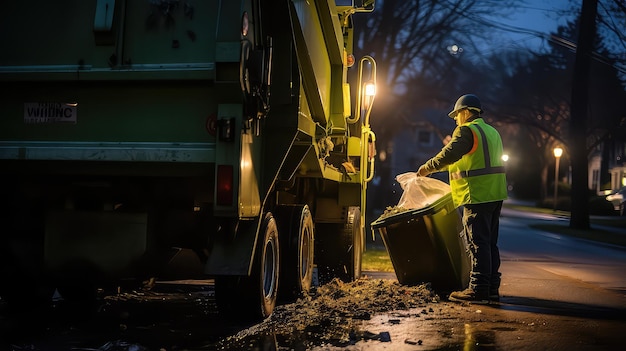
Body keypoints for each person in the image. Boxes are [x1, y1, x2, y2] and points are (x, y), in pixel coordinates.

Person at [416, 94, 507, 304]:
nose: (456, 119)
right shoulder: (491, 131)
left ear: (465, 112)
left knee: (477, 242)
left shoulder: (466, 130)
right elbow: (469, 160)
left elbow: (450, 153)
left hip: (477, 194)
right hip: (494, 193)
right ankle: (491, 287)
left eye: (457, 115)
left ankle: (478, 289)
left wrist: (428, 167)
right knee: (489, 242)